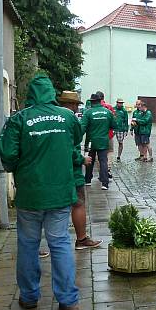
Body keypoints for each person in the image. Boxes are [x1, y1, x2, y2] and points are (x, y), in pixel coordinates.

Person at [0, 73, 81, 310]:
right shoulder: (67, 116)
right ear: (52, 93)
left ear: (31, 94)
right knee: (60, 243)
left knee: (28, 244)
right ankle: (68, 300)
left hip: (31, 194)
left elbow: (8, 154)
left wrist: (19, 168)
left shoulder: (19, 119)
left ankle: (29, 296)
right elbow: (75, 139)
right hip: (59, 194)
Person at [58, 91, 103, 250]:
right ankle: (81, 239)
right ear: (71, 105)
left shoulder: (51, 117)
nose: (78, 107)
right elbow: (71, 144)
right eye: (76, 104)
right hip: (72, 169)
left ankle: (44, 245)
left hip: (54, 170)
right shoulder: (70, 118)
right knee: (78, 203)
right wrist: (81, 159)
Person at [82, 92, 115, 189]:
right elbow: (114, 125)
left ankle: (88, 180)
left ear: (92, 102)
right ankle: (105, 183)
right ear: (100, 101)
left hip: (92, 141)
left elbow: (82, 127)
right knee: (103, 161)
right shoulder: (107, 112)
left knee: (90, 160)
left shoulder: (88, 112)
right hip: (103, 140)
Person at [95, 90, 115, 177]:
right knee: (110, 151)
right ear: (103, 98)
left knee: (98, 153)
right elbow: (114, 121)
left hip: (96, 135)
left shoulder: (93, 108)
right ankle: (108, 168)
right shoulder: (109, 107)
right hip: (109, 134)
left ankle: (101, 172)